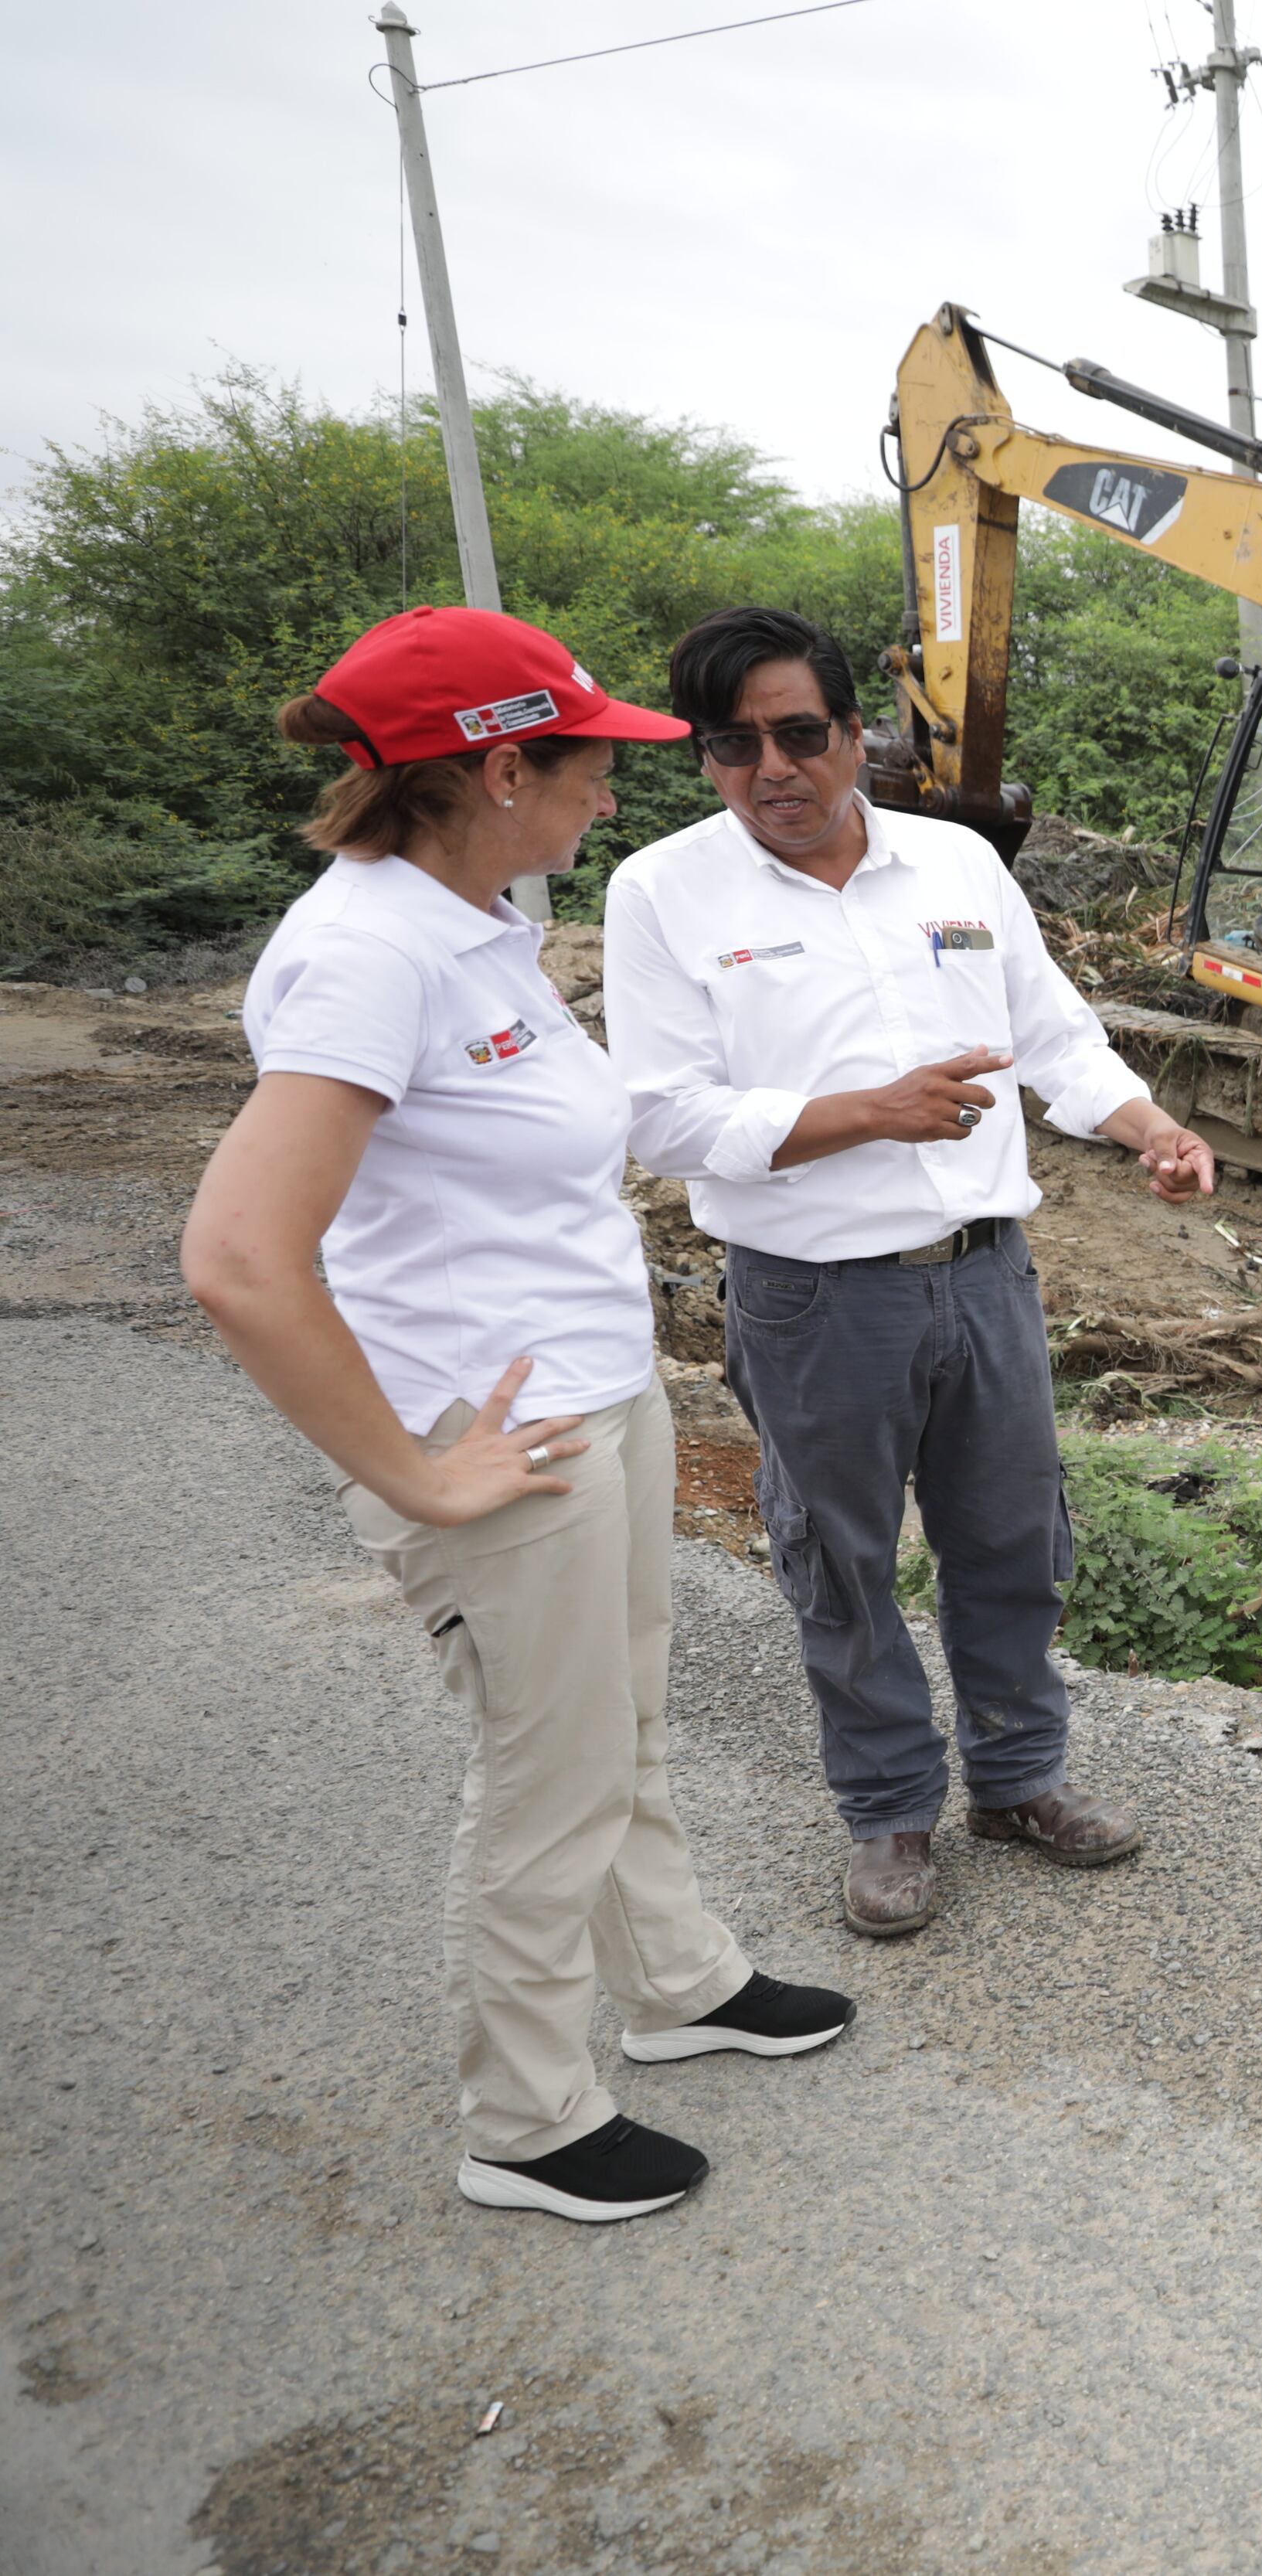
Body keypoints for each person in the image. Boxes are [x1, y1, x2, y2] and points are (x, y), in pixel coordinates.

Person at [182, 605, 853, 2228]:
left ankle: (678, 1978)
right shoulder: (365, 954)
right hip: (499, 1438)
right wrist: (411, 1469)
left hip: (585, 1397)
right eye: (585, 763)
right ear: (494, 769)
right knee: (546, 1773)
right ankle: (528, 2114)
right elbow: (238, 1260)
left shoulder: (470, 922)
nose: (609, 794)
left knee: (621, 1718)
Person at [604, 606, 1216, 1940]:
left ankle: (1017, 1778)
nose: (773, 768)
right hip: (816, 1293)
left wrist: (1149, 1127)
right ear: (707, 759)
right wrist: (866, 1114)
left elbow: (1052, 1028)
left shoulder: (953, 864)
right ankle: (887, 1807)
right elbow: (658, 1116)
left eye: (800, 733)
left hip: (987, 1272)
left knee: (1010, 1542)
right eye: (733, 745)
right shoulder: (663, 894)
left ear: (855, 729)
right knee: (844, 1559)